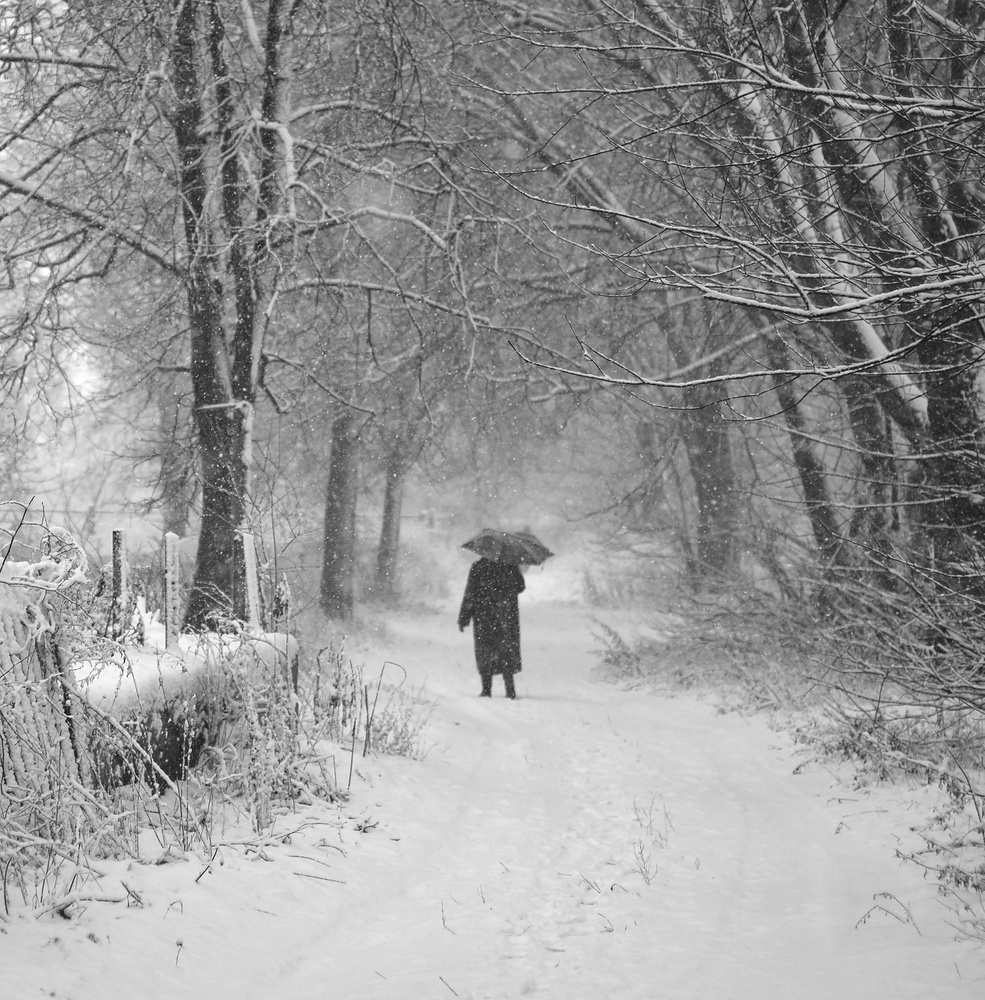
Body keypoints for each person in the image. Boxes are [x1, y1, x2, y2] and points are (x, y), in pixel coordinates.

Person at [457, 556, 525, 698]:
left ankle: (486, 689)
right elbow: (520, 587)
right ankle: (510, 689)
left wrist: (464, 617)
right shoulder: (510, 565)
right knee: (506, 650)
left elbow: (470, 593)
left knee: (485, 650)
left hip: (484, 615)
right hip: (506, 615)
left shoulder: (478, 567)